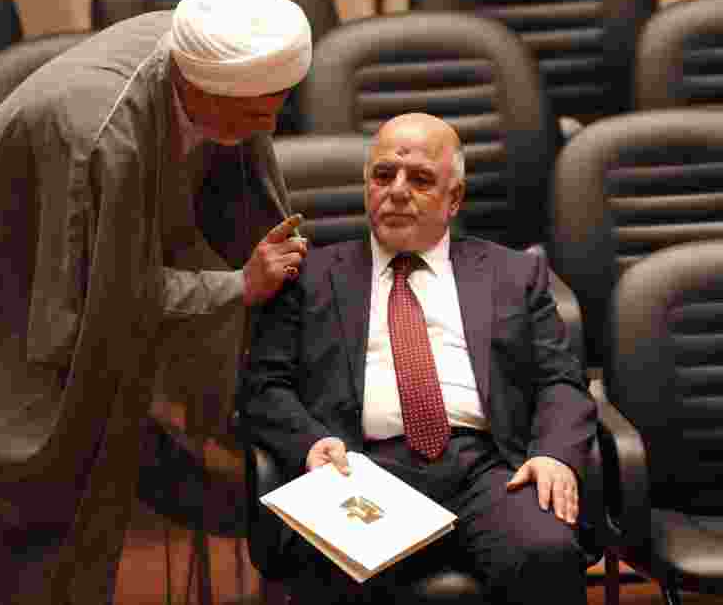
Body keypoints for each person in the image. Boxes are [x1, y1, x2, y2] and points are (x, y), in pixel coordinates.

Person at [0, 0, 310, 604]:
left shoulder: (194, 55)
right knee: (39, 516)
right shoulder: (101, 135)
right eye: (259, 113)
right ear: (207, 91)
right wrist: (238, 286)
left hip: (67, 268)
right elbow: (105, 303)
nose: (271, 126)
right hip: (5, 305)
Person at [239, 112, 598, 604]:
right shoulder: (309, 278)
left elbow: (561, 380)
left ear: (455, 199)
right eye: (383, 175)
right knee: (336, 567)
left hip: (487, 468)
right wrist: (311, 442)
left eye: (421, 179)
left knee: (547, 552)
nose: (398, 190)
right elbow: (264, 388)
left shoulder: (514, 274)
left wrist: (554, 453)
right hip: (362, 469)